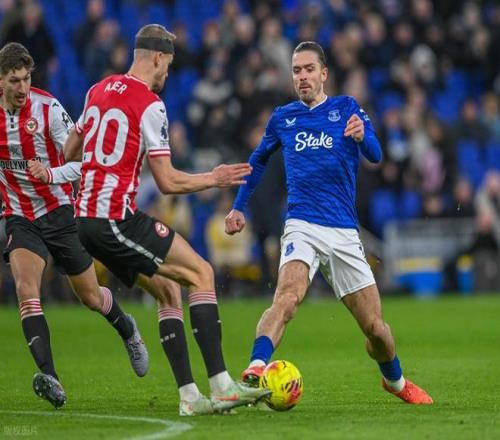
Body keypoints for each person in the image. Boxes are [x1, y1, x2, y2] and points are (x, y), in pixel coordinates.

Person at [59, 24, 270, 416]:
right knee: (201, 273)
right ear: (157, 57)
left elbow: (70, 150)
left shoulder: (97, 90)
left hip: (85, 219)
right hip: (114, 218)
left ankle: (190, 398)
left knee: (169, 291)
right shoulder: (150, 104)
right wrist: (214, 177)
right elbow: (168, 181)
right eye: (168, 66)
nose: (168, 74)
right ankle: (222, 386)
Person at [225, 41, 433, 405]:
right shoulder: (283, 118)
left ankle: (395, 381)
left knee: (376, 329)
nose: (302, 77)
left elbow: (376, 154)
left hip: (343, 231)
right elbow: (257, 163)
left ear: (323, 74)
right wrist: (238, 206)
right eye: (296, 70)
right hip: (301, 224)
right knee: (287, 297)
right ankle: (256, 367)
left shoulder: (346, 108)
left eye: (309, 69)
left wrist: (362, 136)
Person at [0, 42, 148, 409]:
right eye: (14, 80)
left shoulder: (47, 109)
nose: (22, 87)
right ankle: (51, 377)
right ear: (0, 81)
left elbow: (86, 161)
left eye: (26, 78)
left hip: (60, 211)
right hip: (19, 216)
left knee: (91, 297)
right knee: (26, 291)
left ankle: (127, 328)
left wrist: (50, 174)